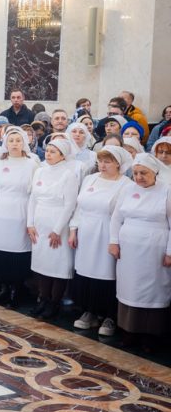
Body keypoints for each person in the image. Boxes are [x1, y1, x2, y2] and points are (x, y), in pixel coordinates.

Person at [69, 146, 133, 337]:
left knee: (106, 274)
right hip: (86, 232)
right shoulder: (90, 179)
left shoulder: (126, 184)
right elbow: (79, 207)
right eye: (100, 161)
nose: (102, 165)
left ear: (118, 164)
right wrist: (74, 230)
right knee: (86, 272)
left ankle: (109, 315)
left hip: (107, 232)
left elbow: (121, 215)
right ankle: (89, 311)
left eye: (108, 161)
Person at [110, 154, 171, 349]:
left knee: (153, 290)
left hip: (155, 248)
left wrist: (170, 251)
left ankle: (150, 335)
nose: (138, 177)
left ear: (155, 172)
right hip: (128, 248)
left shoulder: (167, 191)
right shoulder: (128, 189)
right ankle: (129, 331)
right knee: (130, 287)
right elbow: (116, 218)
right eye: (135, 173)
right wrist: (113, 242)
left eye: (143, 173)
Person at [0, 128, 37, 307]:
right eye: (11, 140)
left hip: (21, 211)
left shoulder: (32, 163)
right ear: (6, 143)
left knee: (18, 253)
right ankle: (3, 289)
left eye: (18, 140)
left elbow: (35, 194)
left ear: (24, 143)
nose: (15, 143)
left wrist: (31, 220)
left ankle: (16, 291)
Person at [27, 138, 80, 319]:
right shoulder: (40, 171)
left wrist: (57, 230)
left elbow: (69, 205)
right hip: (39, 224)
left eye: (53, 151)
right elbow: (32, 199)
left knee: (57, 266)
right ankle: (43, 299)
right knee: (42, 264)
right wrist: (30, 224)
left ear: (63, 155)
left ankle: (54, 302)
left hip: (58, 225)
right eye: (47, 150)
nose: (48, 154)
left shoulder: (68, 174)